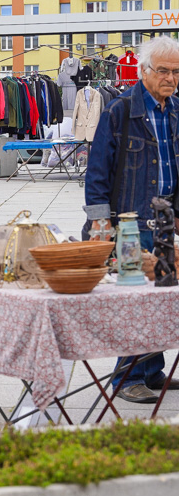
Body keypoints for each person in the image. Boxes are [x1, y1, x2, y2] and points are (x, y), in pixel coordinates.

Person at [85, 35, 179, 404]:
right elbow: (97, 173)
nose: (171, 78)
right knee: (135, 303)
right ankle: (126, 379)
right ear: (143, 71)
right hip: (129, 222)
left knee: (162, 298)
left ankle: (151, 369)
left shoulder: (175, 110)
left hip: (166, 220)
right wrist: (98, 223)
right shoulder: (120, 110)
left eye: (176, 72)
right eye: (163, 71)